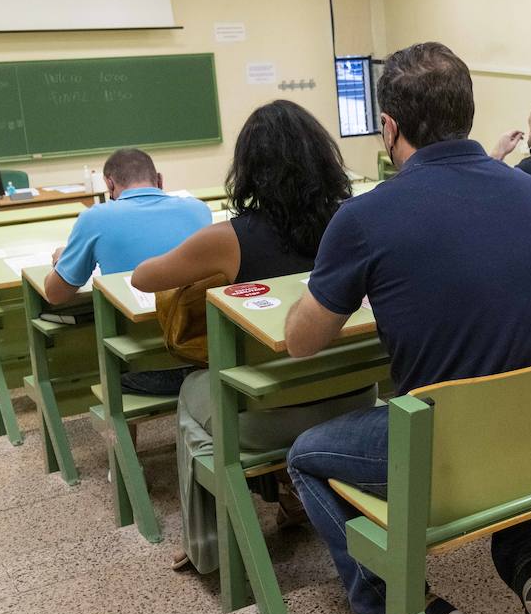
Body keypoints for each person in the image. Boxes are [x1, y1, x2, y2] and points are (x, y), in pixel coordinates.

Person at [282, 42, 531, 614]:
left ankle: (411, 613)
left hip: (451, 446)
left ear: (389, 128)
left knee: (305, 458)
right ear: (468, 114)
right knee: (501, 383)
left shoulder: (365, 217)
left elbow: (303, 343)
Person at [131, 100, 373, 575]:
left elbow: (143, 278)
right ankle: (289, 498)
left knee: (194, 395)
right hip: (357, 401)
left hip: (270, 418)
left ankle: (210, 546)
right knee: (258, 381)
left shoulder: (229, 238)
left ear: (249, 169)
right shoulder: (355, 221)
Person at [44, 147, 211, 395]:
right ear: (160, 180)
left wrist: (61, 259)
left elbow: (56, 294)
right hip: (195, 341)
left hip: (134, 354)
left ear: (109, 184)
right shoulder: (198, 209)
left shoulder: (95, 218)